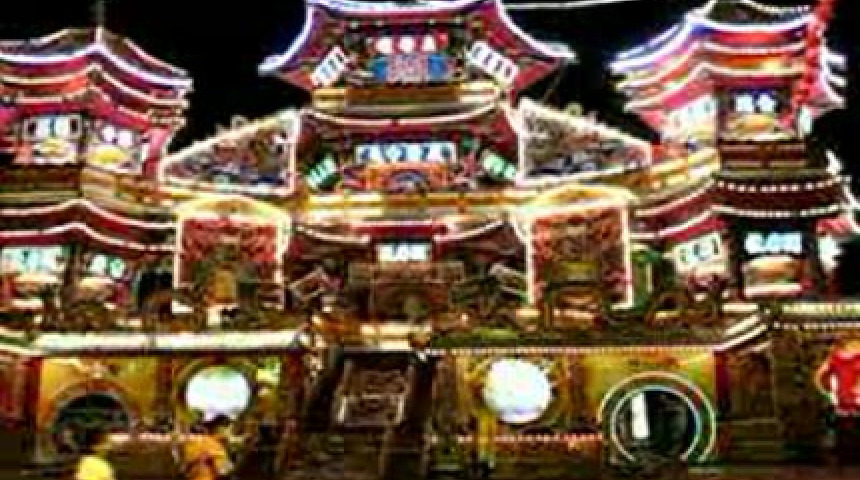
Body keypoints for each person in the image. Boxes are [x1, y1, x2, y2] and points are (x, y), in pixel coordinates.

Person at [182, 414, 234, 480]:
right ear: (220, 428)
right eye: (230, 429)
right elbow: (222, 471)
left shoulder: (196, 441)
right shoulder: (216, 446)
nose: (229, 433)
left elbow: (185, 466)